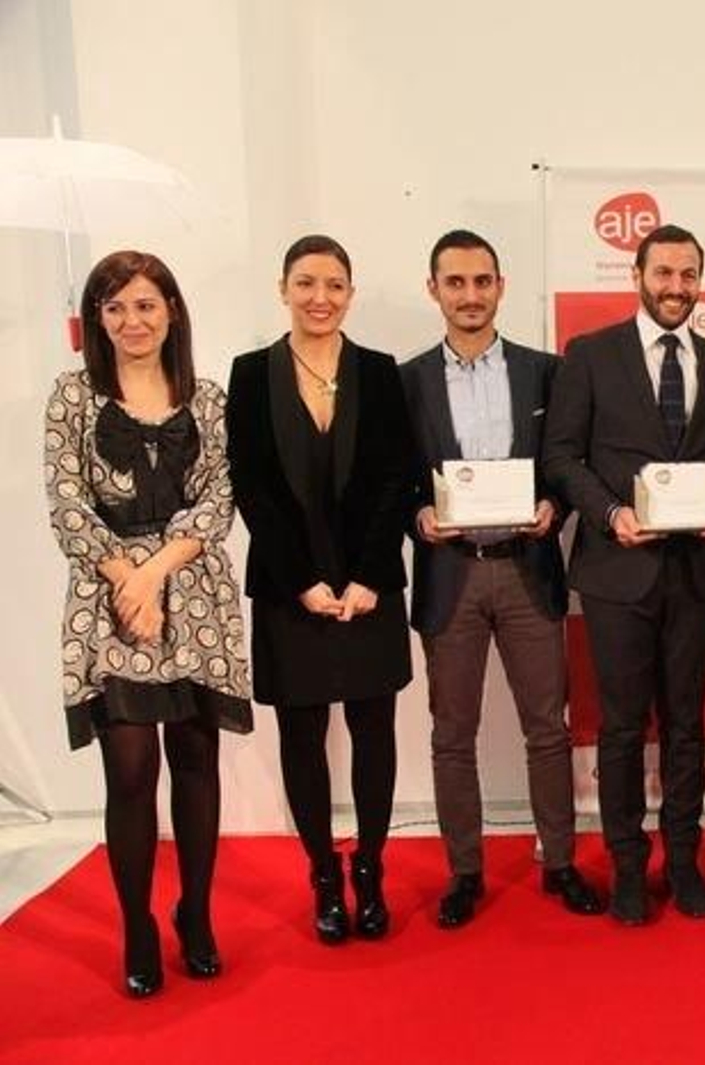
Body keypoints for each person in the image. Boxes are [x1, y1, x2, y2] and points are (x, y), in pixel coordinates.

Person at [44, 250, 252, 997]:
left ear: (171, 312)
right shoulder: (72, 396)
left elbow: (220, 498)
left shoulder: (210, 398)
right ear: (98, 320)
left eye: (146, 305)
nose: (133, 320)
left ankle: (193, 912)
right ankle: (136, 922)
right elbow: (67, 504)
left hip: (192, 593)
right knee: (130, 770)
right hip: (109, 604)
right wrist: (126, 579)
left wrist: (156, 571)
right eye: (116, 308)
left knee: (195, 761)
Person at [400, 229, 601, 927]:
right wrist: (418, 515)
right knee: (451, 732)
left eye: (482, 281)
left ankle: (561, 861)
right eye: (455, 283)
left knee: (548, 727)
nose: (470, 295)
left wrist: (559, 503)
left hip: (526, 570)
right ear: (434, 290)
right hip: (450, 573)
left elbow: (569, 461)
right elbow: (394, 480)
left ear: (501, 286)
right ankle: (464, 871)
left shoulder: (546, 371)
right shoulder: (407, 380)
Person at [543, 224, 705, 925]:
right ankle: (628, 864)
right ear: (637, 274)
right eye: (664, 273)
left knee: (686, 724)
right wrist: (609, 512)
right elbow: (563, 456)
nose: (676, 287)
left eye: (689, 275)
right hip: (616, 572)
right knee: (623, 728)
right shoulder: (590, 355)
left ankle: (683, 858)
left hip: (694, 572)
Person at [226, 235, 414, 945]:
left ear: (351, 293)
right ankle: (322, 873)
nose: (320, 297)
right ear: (283, 289)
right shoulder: (249, 375)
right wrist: (302, 580)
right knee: (302, 737)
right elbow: (253, 487)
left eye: (335, 284)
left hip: (371, 586)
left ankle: (369, 866)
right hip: (287, 588)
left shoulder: (378, 370)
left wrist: (367, 575)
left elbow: (398, 477)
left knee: (374, 733)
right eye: (306, 283)